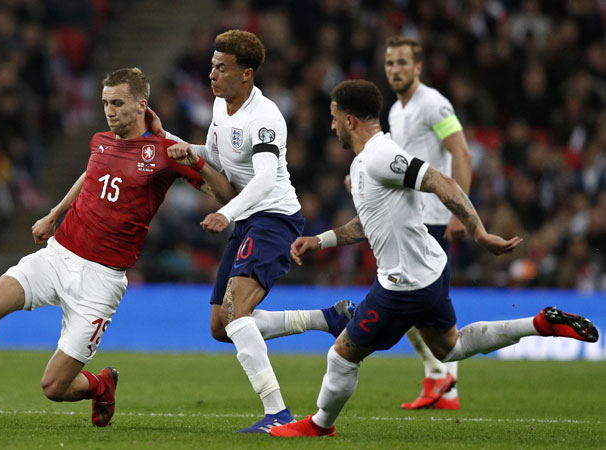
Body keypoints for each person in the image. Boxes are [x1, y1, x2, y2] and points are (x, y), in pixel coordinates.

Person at [270, 80, 599, 438]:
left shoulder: (381, 155)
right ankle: (538, 324)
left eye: (334, 118)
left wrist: (478, 231)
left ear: (350, 121)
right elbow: (369, 223)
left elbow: (441, 181)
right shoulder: (366, 163)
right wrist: (320, 241)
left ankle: (320, 425)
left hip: (403, 285)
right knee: (449, 348)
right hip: (429, 271)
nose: (331, 126)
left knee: (342, 354)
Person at [0, 68, 236, 427]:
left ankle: (101, 384)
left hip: (101, 282)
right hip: (58, 255)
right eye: (105, 103)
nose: (110, 111)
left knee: (54, 387)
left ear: (141, 106)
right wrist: (54, 214)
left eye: (118, 103)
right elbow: (92, 173)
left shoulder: (165, 153)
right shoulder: (100, 140)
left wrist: (195, 160)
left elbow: (226, 194)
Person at [148, 29, 355, 433]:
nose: (212, 75)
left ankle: (277, 412)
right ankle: (327, 318)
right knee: (221, 327)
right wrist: (167, 138)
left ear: (246, 74)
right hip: (249, 219)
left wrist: (227, 212)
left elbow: (262, 180)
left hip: (274, 217)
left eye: (221, 69)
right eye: (211, 66)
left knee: (237, 314)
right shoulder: (220, 106)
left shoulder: (265, 117)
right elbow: (214, 155)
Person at [384, 35, 473, 410]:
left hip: (435, 217)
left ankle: (443, 379)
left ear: (418, 67)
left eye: (402, 62)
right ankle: (439, 378)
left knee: (415, 303)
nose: (395, 70)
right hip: (408, 218)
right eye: (390, 63)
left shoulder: (433, 104)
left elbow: (461, 152)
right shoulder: (395, 111)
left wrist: (459, 211)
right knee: (408, 303)